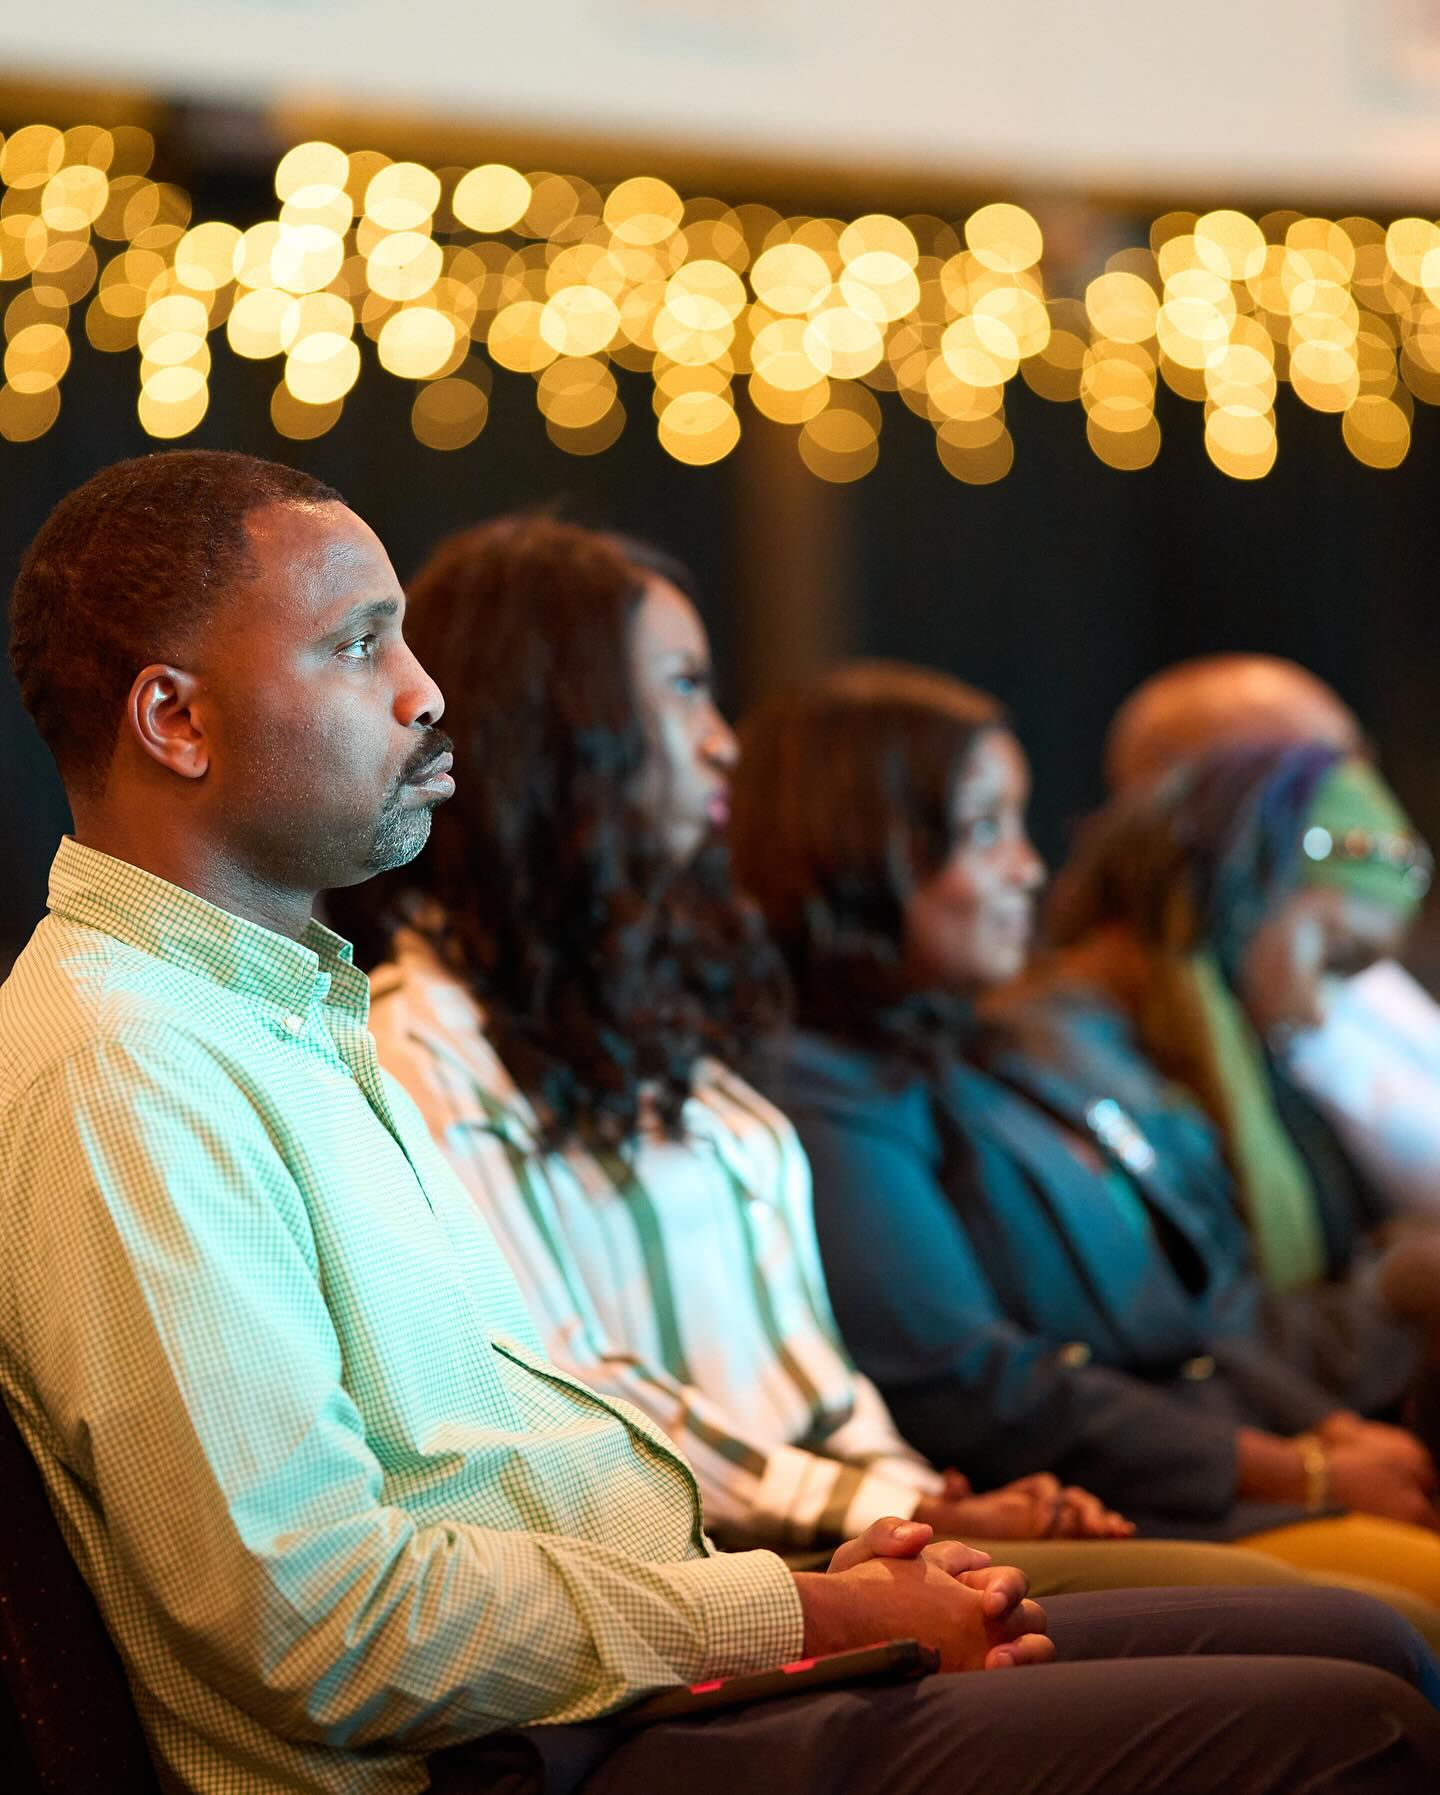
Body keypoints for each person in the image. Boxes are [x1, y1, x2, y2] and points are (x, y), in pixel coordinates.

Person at [5, 463, 1440, 1795]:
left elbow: (505, 1451)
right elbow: (321, 1621)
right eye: (361, 645)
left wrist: (805, 1572)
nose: (427, 695)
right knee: (1364, 1712)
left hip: (609, 1686)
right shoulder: (132, 1067)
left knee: (1371, 1656)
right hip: (499, 1761)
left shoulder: (274, 1012)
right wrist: (796, 1600)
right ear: (174, 719)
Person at [341, 514, 1360, 1609]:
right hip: (724, 1579)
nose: (720, 737)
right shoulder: (423, 1048)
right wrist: (894, 1512)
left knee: (1368, 1637)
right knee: (1362, 1644)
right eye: (683, 686)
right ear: (563, 723)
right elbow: (577, 1392)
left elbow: (815, 1374)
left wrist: (909, 1496)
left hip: (851, 1526)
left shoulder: (668, 1038)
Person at [729, 660, 1440, 1614]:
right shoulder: (822, 1087)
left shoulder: (982, 1053)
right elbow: (972, 1381)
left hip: (1206, 1461)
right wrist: (1301, 1468)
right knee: (1400, 1632)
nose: (1029, 867)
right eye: (986, 829)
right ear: (856, 850)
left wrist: (1326, 1436)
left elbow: (1195, 1313)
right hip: (1137, 1502)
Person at [1107, 654, 1440, 1219]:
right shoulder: (1133, 1034)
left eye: (1356, 766)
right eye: (1312, 774)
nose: (1358, 800)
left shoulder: (1354, 974)